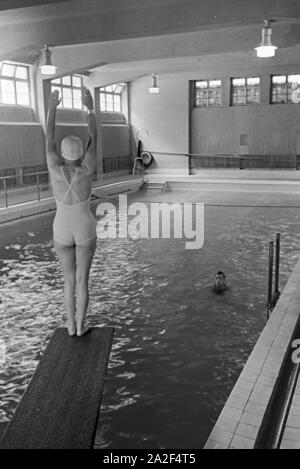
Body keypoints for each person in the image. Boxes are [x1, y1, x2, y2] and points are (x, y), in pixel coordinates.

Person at [46, 87, 97, 336]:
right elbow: (94, 139)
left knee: (68, 281)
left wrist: (52, 108)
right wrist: (90, 108)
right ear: (81, 154)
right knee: (82, 281)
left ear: (63, 153)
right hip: (85, 228)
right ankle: (81, 325)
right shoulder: (87, 169)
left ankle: (69, 325)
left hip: (61, 229)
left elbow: (48, 138)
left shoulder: (54, 169)